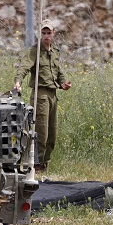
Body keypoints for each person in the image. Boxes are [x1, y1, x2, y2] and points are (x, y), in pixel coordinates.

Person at [14, 19, 72, 172]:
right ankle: (37, 163)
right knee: (42, 131)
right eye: (43, 33)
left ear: (54, 34)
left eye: (49, 33)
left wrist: (64, 83)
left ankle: (45, 162)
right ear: (40, 34)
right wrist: (18, 82)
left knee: (52, 132)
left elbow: (59, 73)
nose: (46, 36)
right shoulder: (35, 51)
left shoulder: (54, 52)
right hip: (41, 95)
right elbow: (24, 66)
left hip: (53, 94)